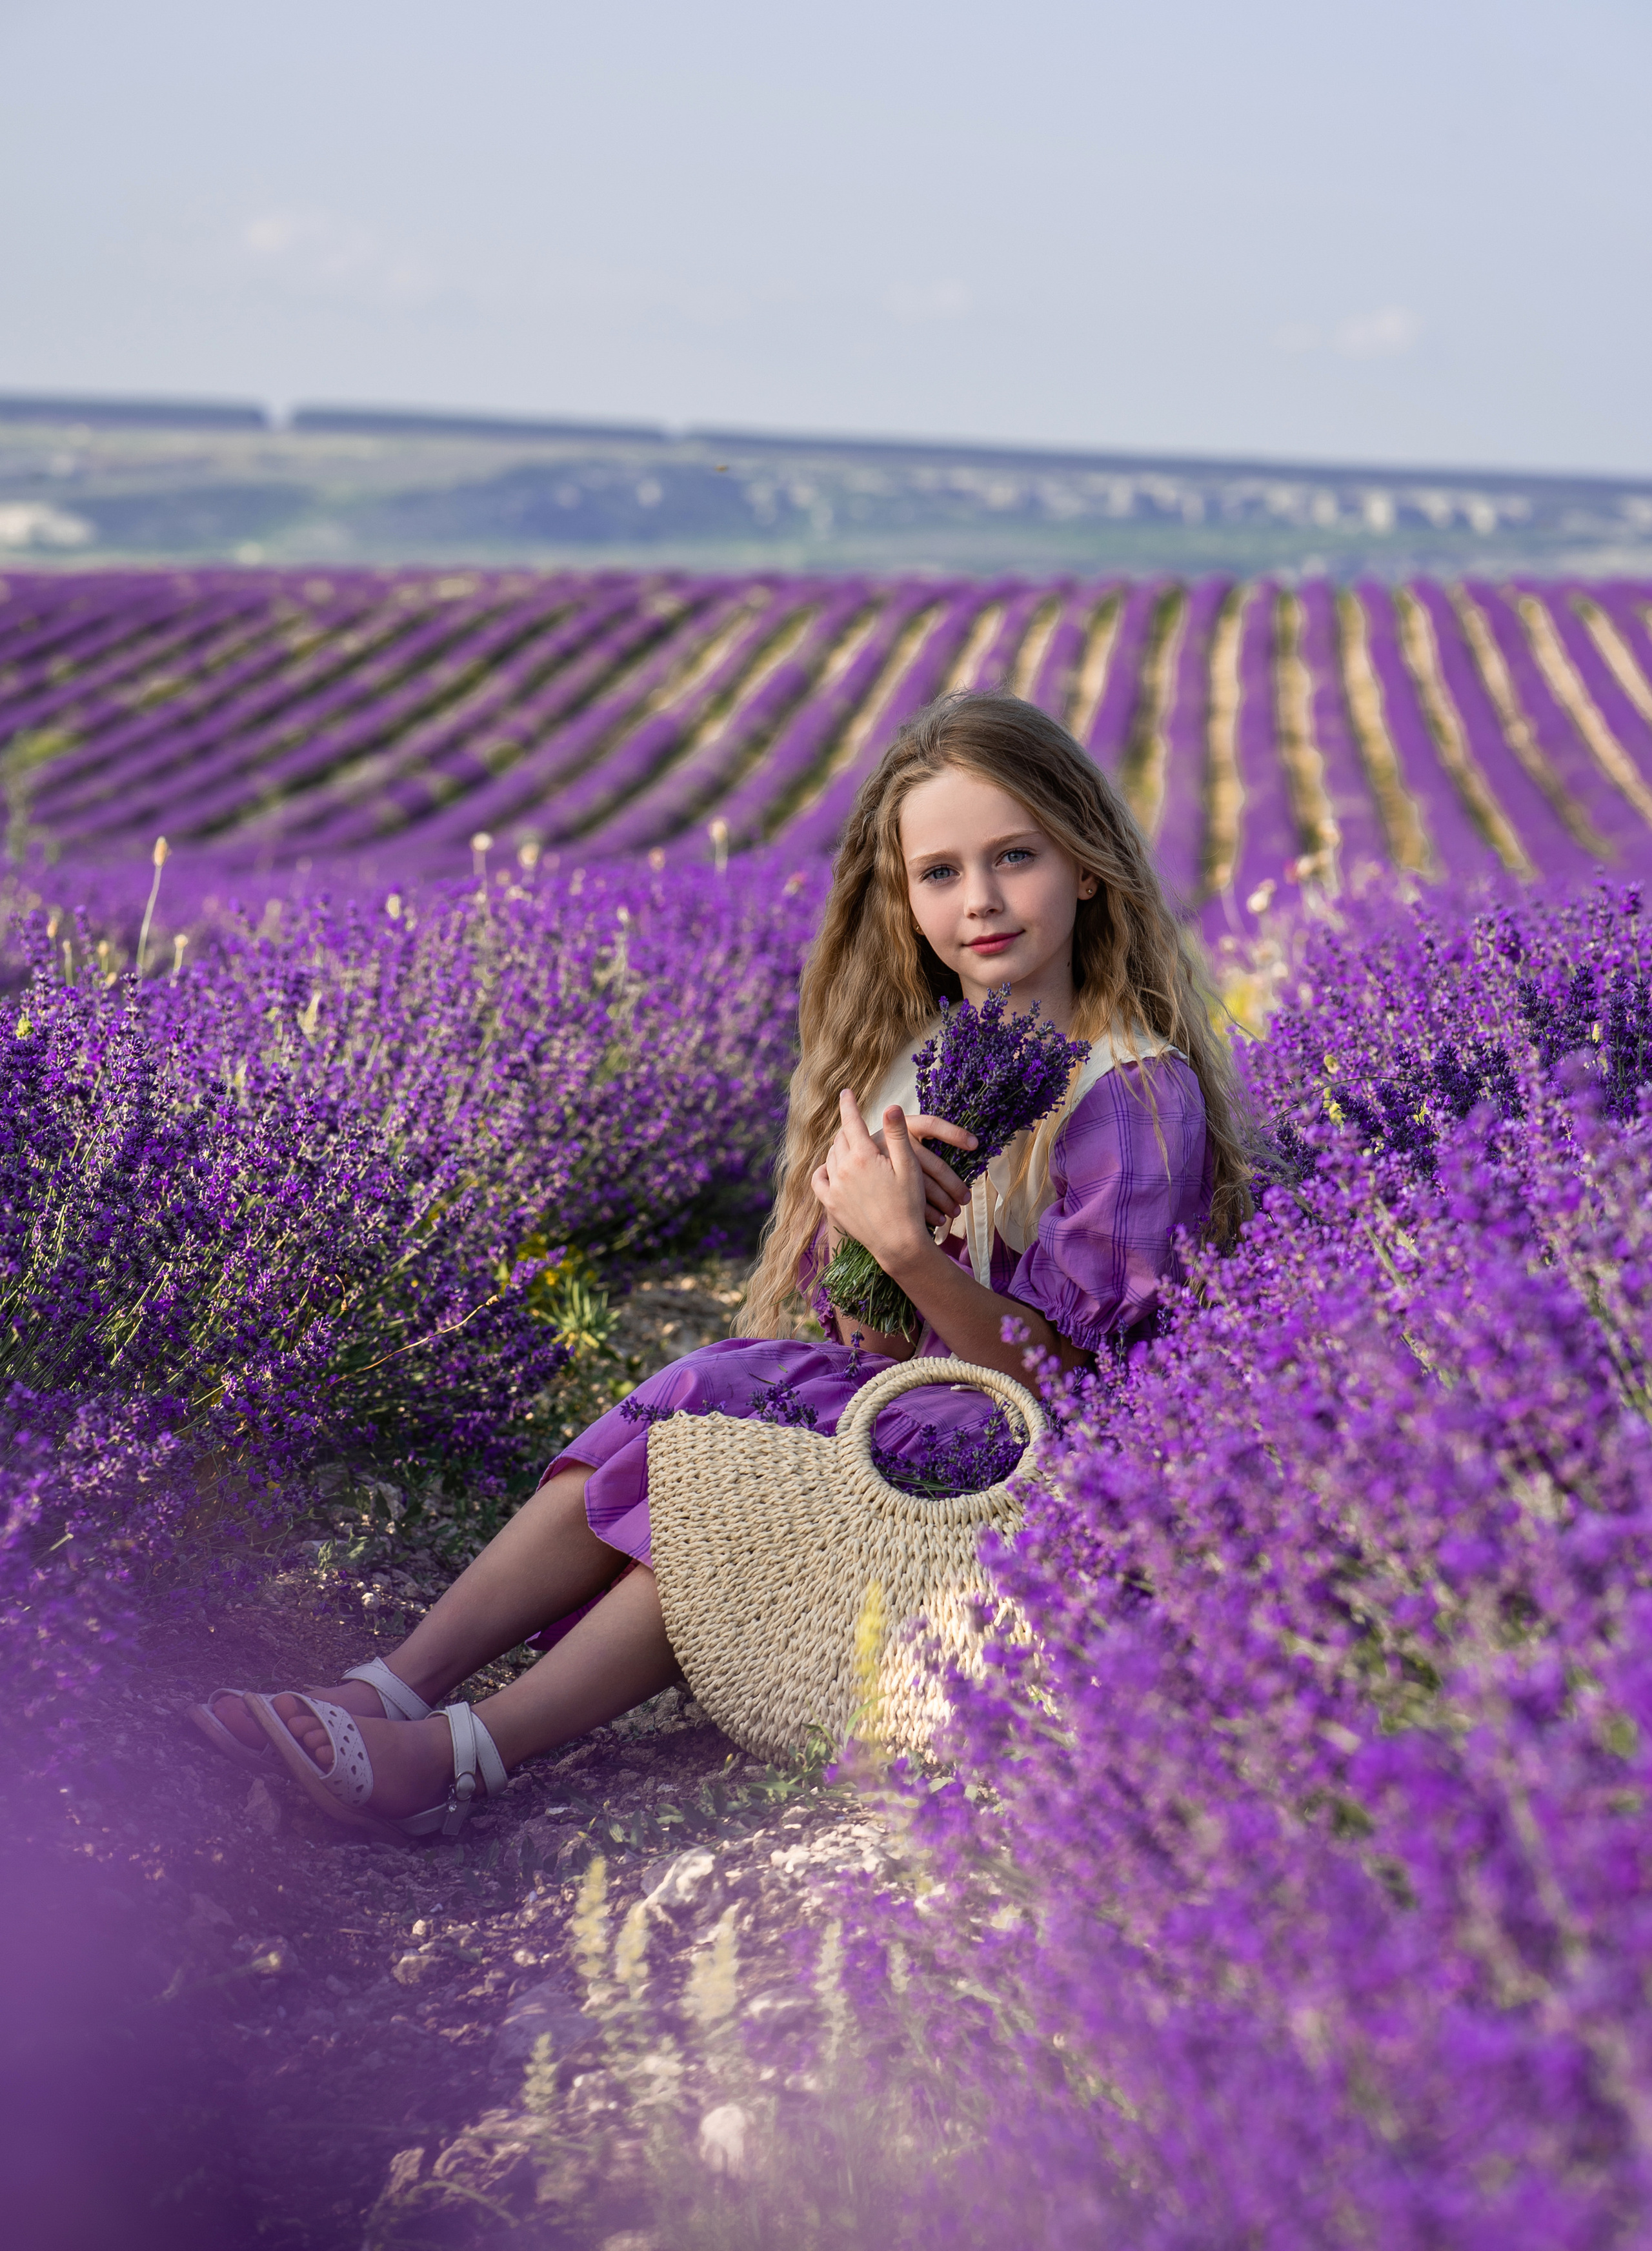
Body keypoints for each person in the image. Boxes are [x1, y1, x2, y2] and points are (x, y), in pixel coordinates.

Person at [195, 691, 1251, 1838]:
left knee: (749, 1464)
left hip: (1058, 1466)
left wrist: (905, 1245)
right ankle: (392, 1683)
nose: (981, 900)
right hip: (939, 1411)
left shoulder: (1135, 1096)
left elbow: (1077, 1383)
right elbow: (887, 1348)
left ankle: (455, 1755)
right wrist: (872, 1260)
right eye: (940, 872)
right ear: (903, 897)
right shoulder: (934, 1067)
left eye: (1015, 857)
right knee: (710, 1388)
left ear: (1088, 866)